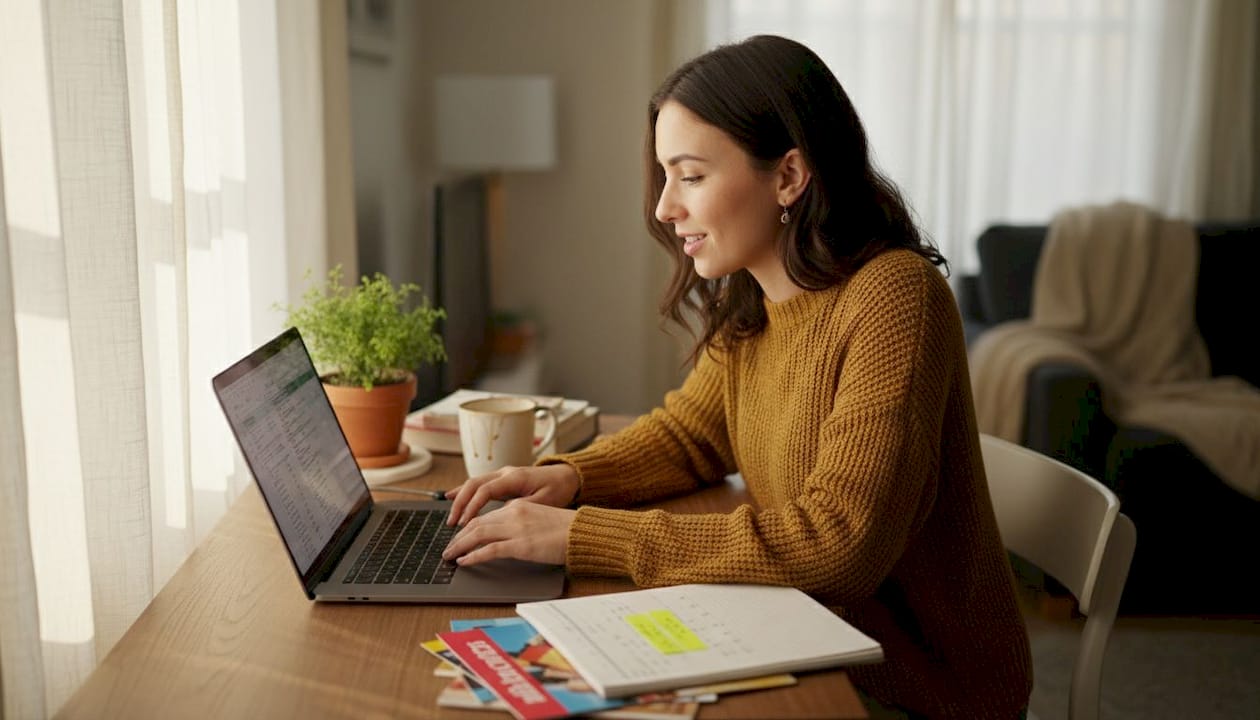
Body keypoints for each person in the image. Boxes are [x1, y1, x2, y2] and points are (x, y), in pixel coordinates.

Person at [441, 34, 1032, 718]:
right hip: (810, 631)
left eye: (690, 176)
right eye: (665, 176)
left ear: (788, 176)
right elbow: (691, 436)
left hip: (914, 684)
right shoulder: (756, 293)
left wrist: (581, 536)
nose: (664, 208)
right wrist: (571, 478)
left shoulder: (895, 298)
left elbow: (839, 543)